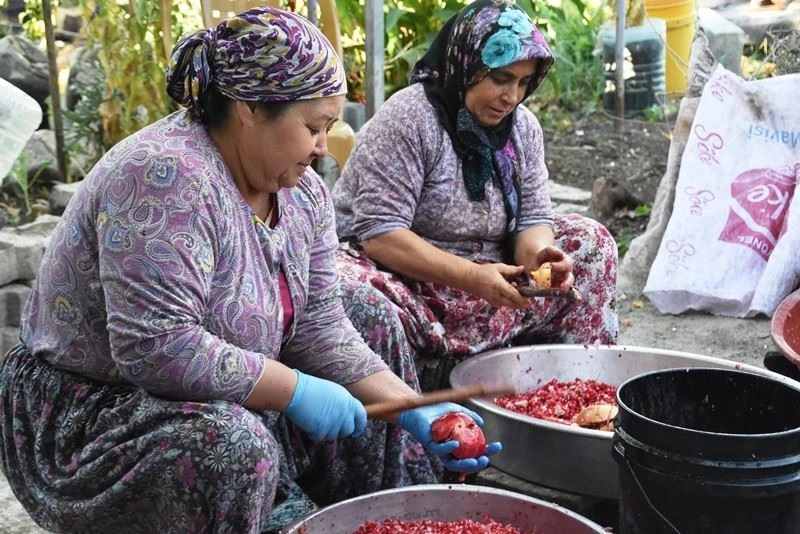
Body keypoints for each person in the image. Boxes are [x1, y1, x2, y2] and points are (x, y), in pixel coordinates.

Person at [0, 7, 500, 533]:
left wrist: (408, 406)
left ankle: (376, 515)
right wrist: (295, 390)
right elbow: (155, 347)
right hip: (98, 415)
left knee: (369, 311)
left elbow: (320, 323)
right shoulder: (164, 176)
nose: (322, 149)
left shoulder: (301, 193)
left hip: (219, 391)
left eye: (328, 128)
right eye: (312, 127)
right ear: (247, 109)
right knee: (231, 443)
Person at [333, 0, 619, 389]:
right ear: (465, 66)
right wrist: (472, 277)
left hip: (489, 272)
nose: (512, 96)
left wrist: (539, 261)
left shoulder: (523, 130)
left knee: (592, 243)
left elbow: (533, 219)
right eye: (501, 79)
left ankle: (570, 395)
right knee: (351, 292)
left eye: (523, 82)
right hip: (406, 276)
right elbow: (381, 235)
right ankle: (414, 410)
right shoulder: (410, 119)